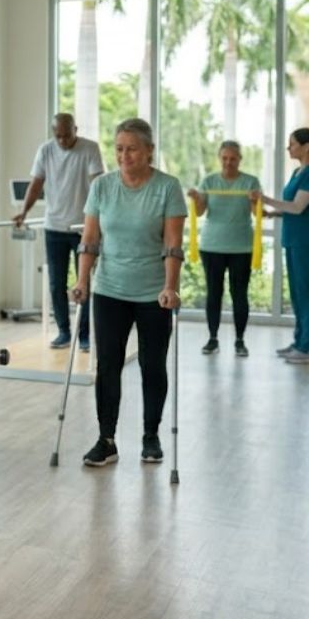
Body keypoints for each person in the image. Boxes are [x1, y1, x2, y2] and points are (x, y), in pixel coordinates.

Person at [70, 118, 186, 467]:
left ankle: (151, 435)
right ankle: (106, 439)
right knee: (108, 365)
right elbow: (90, 239)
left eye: (132, 149)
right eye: (119, 149)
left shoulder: (167, 187)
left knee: (153, 365)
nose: (124, 155)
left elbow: (173, 245)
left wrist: (170, 287)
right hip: (110, 290)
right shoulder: (102, 187)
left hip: (153, 293)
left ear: (149, 150)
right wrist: (82, 280)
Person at [14, 113, 104, 351]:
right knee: (56, 283)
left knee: (84, 282)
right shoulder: (45, 151)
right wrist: (23, 212)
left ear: (76, 129)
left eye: (67, 135)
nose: (63, 140)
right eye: (58, 136)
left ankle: (84, 335)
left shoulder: (90, 149)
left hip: (83, 228)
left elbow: (98, 184)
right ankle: (64, 331)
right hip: (54, 227)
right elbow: (36, 184)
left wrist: (101, 218)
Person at [186, 140, 261, 358]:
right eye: (225, 158)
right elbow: (199, 212)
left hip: (242, 248)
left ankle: (240, 340)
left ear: (240, 159)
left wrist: (255, 201)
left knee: (239, 294)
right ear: (220, 158)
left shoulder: (250, 181)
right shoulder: (209, 181)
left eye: (233, 158)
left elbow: (256, 213)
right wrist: (196, 198)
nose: (228, 162)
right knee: (214, 294)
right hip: (212, 246)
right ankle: (213, 338)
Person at [254, 128, 309, 363]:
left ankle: (306, 347)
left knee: (306, 293)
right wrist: (273, 213)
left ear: (306, 147)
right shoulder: (298, 172)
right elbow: (291, 207)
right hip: (292, 239)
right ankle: (299, 341)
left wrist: (265, 199)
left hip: (304, 242)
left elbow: (298, 207)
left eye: (292, 144)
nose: (289, 148)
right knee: (297, 294)